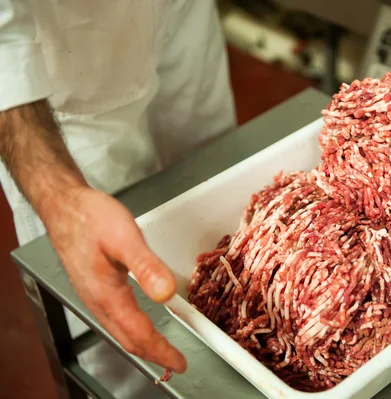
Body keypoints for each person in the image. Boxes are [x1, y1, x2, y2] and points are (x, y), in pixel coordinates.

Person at [0, 0, 236, 397]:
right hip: (66, 51)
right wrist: (62, 199)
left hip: (178, 11)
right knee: (120, 299)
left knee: (219, 204)